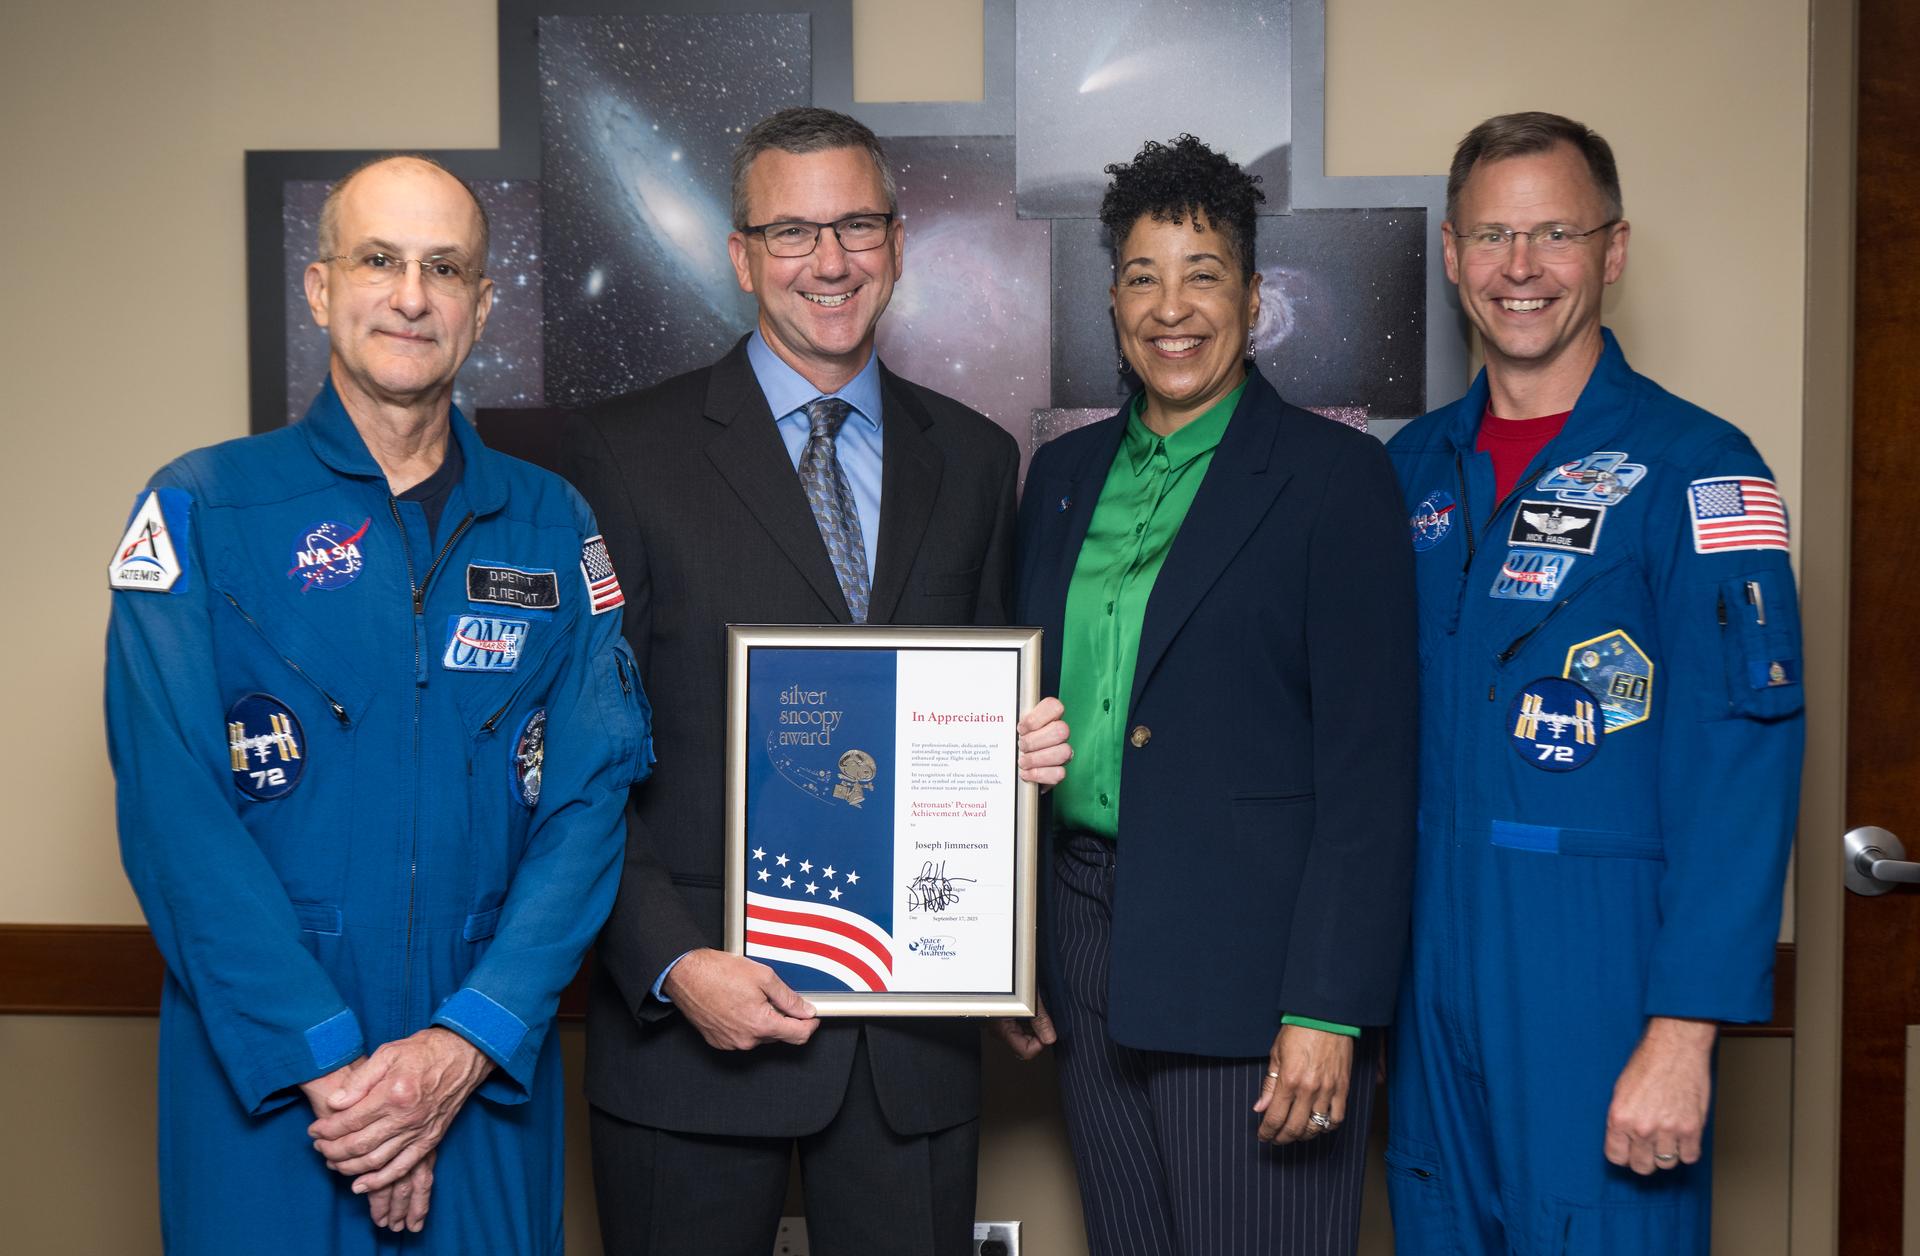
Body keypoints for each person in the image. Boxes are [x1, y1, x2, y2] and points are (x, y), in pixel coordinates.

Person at [105, 154, 652, 1253]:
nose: (412, 294)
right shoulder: (203, 505)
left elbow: (590, 803)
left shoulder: (553, 524)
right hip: (265, 1081)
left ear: (482, 303)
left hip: (483, 1072)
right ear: (321, 288)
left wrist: (462, 1047)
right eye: (379, 260)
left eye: (444, 267)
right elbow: (176, 814)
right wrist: (333, 1069)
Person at [558, 106, 1070, 1256]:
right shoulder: (620, 453)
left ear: (896, 241)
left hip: (913, 1044)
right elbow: (576, 748)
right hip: (692, 1028)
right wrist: (672, 961)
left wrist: (1020, 777)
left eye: (855, 225)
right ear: (739, 254)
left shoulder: (979, 457)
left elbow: (984, 713)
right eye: (791, 231)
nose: (828, 261)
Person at [1384, 112, 1804, 1254]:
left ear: (1613, 250)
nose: (1521, 269)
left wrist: (1685, 1031)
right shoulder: (1404, 473)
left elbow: (1743, 763)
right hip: (1426, 967)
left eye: (1554, 233)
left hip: (1598, 976)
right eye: (1492, 236)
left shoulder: (1700, 469)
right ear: (1450, 251)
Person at [1000, 134, 1419, 1256]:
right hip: (1085, 947)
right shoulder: (1061, 478)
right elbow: (1019, 720)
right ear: (1111, 296)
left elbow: (1372, 774)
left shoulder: (1337, 479)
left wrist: (1329, 1006)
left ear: (1254, 294)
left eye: (1203, 273)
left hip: (1256, 967)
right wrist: (1010, 946)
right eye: (1143, 274)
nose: (1170, 307)